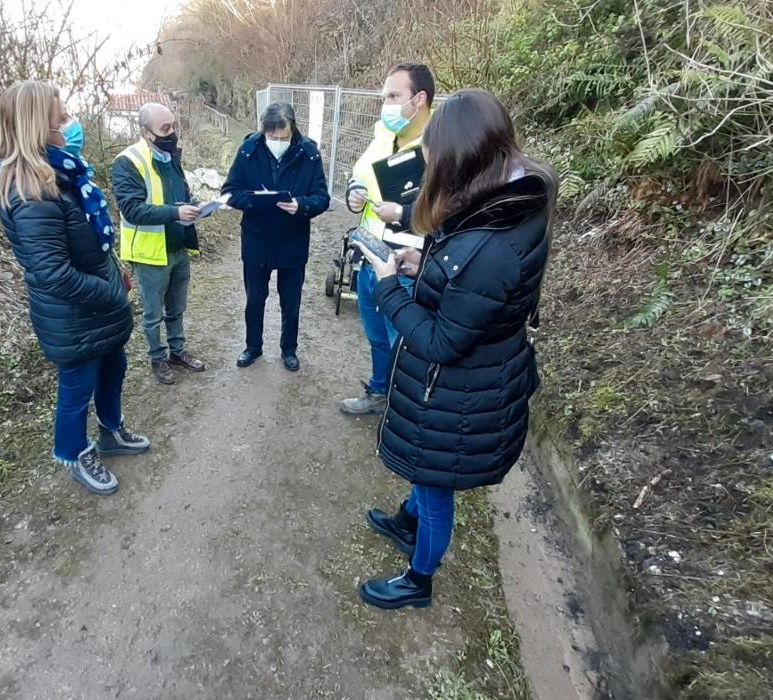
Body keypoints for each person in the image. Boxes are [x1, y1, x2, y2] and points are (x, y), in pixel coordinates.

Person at [352, 89, 556, 609]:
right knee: (425, 471)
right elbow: (469, 288)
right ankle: (407, 520)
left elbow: (442, 341)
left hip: (459, 388)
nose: (431, 164)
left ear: (463, 157)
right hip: (474, 370)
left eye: (437, 153)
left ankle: (417, 581)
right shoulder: (505, 204)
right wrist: (423, 266)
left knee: (434, 478)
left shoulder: (492, 243)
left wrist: (388, 286)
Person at [0, 81, 150, 496]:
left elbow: (88, 239)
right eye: (62, 118)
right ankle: (74, 452)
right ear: (39, 125)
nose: (71, 125)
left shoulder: (61, 172)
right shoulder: (30, 189)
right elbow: (52, 272)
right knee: (77, 389)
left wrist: (114, 273)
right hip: (74, 313)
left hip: (97, 300)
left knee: (114, 368)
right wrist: (110, 294)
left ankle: (112, 431)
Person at [340, 63, 436, 416]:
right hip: (370, 255)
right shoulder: (382, 135)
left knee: (406, 342)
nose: (386, 105)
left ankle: (408, 412)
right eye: (385, 97)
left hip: (408, 266)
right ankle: (379, 392)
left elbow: (449, 214)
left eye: (394, 96)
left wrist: (402, 212)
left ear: (419, 98)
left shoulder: (442, 147)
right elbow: (359, 176)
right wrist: (354, 193)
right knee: (377, 337)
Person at [222, 102, 330, 371]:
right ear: (264, 131)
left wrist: (301, 205)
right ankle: (253, 346)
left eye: (283, 137)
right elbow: (230, 191)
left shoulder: (309, 153)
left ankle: (289, 349)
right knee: (255, 299)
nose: (278, 142)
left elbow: (322, 197)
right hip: (257, 240)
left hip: (293, 240)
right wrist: (252, 201)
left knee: (291, 301)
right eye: (272, 137)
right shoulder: (249, 151)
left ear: (293, 129)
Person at [111, 102, 206, 385]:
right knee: (153, 315)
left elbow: (180, 195)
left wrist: (194, 206)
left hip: (178, 248)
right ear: (145, 131)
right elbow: (132, 209)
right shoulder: (128, 162)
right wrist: (176, 212)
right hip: (150, 253)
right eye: (165, 128)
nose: (172, 133)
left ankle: (177, 352)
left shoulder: (170, 157)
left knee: (177, 308)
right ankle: (158, 358)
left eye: (173, 126)